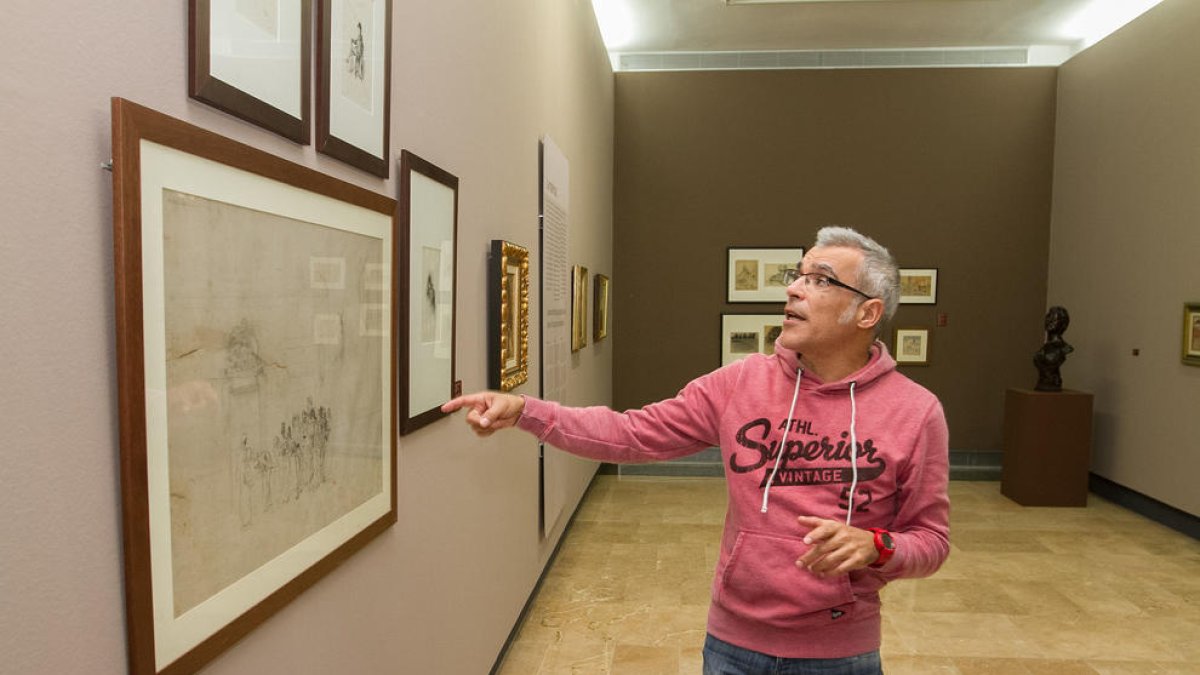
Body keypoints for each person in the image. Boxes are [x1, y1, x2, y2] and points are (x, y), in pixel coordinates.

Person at [443, 227, 950, 675]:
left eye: (820, 279)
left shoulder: (916, 411)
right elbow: (631, 433)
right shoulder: (740, 384)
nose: (794, 288)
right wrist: (526, 411)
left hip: (842, 653)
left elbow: (930, 540)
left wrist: (877, 546)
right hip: (734, 646)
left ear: (868, 312)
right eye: (797, 275)